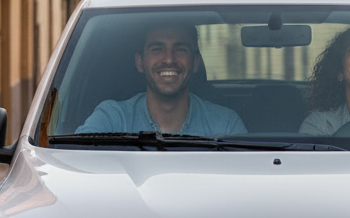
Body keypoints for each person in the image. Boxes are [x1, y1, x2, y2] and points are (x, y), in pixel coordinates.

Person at [77, 23, 246, 136]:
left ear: (195, 63)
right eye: (157, 49)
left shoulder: (225, 125)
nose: (169, 59)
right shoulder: (112, 119)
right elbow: (74, 162)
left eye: (180, 49)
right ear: (139, 62)